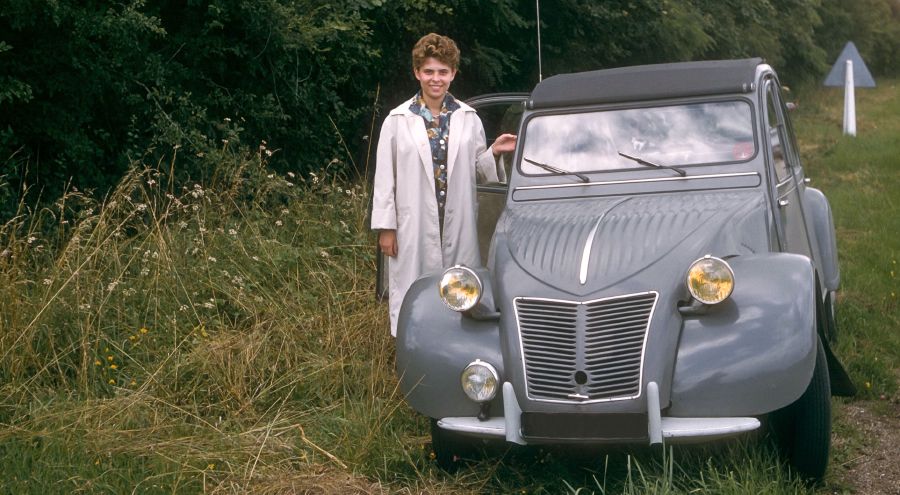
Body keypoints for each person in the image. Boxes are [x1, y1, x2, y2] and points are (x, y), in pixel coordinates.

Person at [371, 33, 516, 336]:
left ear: (453, 74)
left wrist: (495, 152)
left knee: (460, 288)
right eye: (428, 71)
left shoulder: (469, 118)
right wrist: (387, 228)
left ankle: (456, 347)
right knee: (414, 290)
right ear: (417, 73)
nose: (435, 79)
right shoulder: (397, 120)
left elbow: (477, 171)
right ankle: (412, 348)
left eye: (442, 72)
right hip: (414, 221)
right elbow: (385, 178)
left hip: (457, 221)